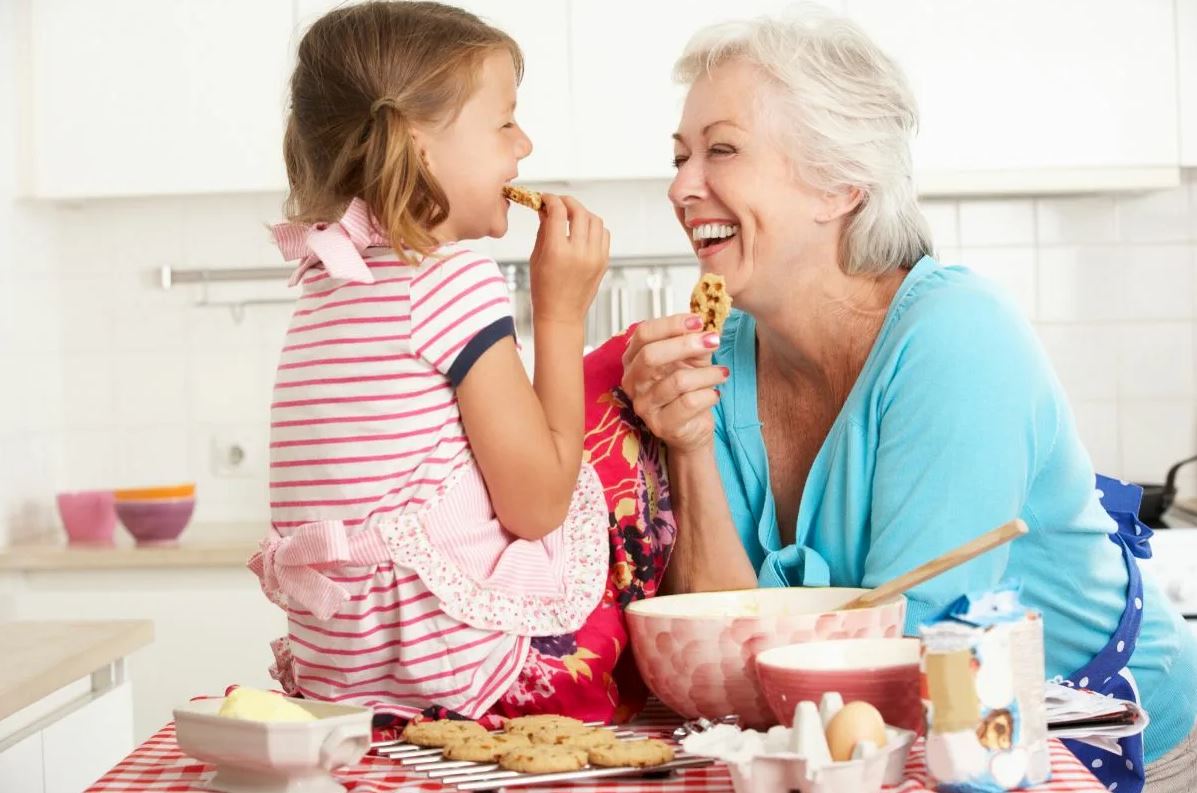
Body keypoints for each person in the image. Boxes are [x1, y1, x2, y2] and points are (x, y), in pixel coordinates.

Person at [620, 8, 1197, 790]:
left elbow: (910, 654)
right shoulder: (713, 361)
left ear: (840, 182)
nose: (682, 186)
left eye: (720, 149)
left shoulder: (956, 336)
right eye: (681, 156)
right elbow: (721, 647)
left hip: (1106, 745)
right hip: (867, 740)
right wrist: (685, 443)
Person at [249, 0, 616, 722]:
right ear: (419, 145)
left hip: (340, 682)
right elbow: (538, 503)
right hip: (467, 677)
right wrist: (563, 311)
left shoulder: (326, 283)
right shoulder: (450, 279)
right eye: (505, 120)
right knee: (628, 434)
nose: (526, 144)